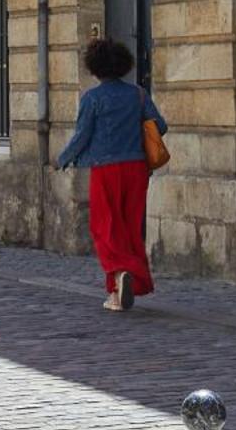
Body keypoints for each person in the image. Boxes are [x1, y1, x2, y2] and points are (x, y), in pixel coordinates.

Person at [56, 35, 166, 312]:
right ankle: (119, 290)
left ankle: (119, 274)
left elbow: (82, 135)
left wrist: (63, 159)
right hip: (137, 169)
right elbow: (160, 126)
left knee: (104, 226)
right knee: (130, 226)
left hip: (106, 170)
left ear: (95, 67)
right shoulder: (138, 94)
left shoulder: (92, 98)